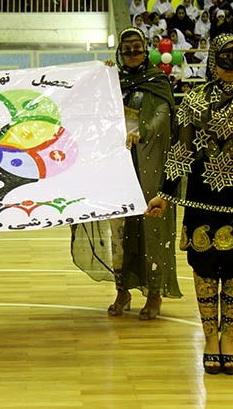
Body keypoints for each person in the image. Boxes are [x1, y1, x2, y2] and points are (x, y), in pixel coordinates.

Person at [146, 33, 233, 375]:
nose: (232, 63)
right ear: (213, 59)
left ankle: (228, 338)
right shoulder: (194, 100)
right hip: (202, 197)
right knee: (204, 265)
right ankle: (209, 339)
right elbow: (180, 151)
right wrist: (165, 193)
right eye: (225, 56)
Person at [71, 27, 182, 320]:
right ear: (120, 53)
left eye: (137, 47)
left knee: (151, 229)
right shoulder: (113, 82)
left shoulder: (157, 81)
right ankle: (122, 290)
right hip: (117, 168)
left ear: (146, 50)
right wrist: (101, 78)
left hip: (148, 167)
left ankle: (154, 292)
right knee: (118, 231)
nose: (132, 53)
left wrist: (141, 132)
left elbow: (162, 116)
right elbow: (91, 110)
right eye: (127, 49)